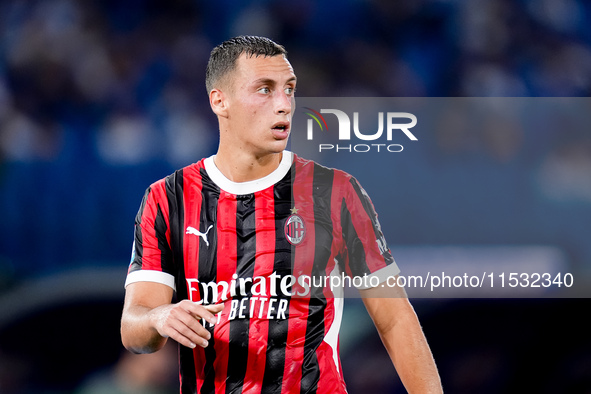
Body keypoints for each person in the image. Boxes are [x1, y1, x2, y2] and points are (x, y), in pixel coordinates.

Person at [121, 35, 442, 393]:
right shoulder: (167, 198)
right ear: (219, 100)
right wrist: (158, 316)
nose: (284, 104)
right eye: (264, 89)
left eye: (289, 89)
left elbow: (395, 319)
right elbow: (134, 328)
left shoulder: (336, 192)